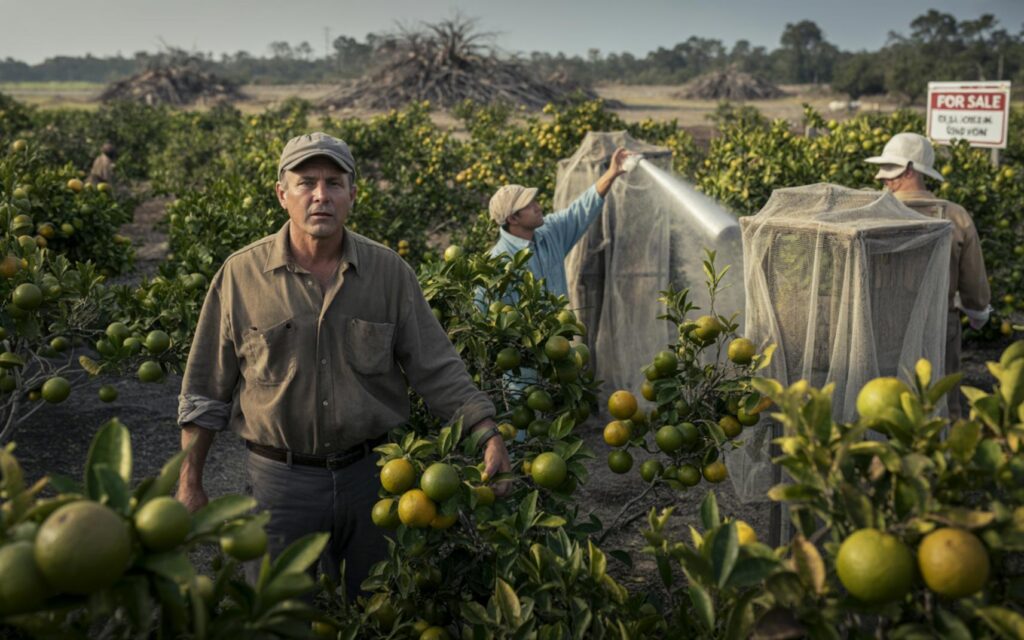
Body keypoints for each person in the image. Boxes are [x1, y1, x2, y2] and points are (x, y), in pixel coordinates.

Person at [175, 132, 511, 595]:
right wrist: (189, 480)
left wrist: (486, 431)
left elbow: (435, 366)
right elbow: (205, 390)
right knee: (280, 611)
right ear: (281, 194)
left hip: (372, 478)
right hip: (280, 484)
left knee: (376, 607)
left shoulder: (389, 273)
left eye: (334, 183)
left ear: (353, 193)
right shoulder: (241, 275)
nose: (320, 196)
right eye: (306, 182)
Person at [866, 132, 991, 419]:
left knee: (884, 403)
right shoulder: (955, 216)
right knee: (942, 400)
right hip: (938, 325)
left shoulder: (872, 214)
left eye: (889, 169)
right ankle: (943, 459)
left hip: (882, 325)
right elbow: (974, 285)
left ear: (909, 169)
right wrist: (978, 314)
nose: (882, 178)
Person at [487, 147, 632, 300]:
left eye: (534, 201)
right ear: (512, 219)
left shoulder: (549, 233)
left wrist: (611, 173)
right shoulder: (497, 263)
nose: (538, 207)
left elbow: (581, 210)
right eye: (529, 205)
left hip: (561, 324)